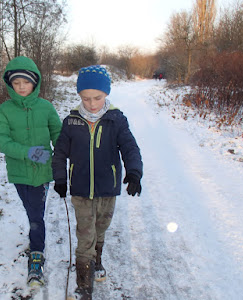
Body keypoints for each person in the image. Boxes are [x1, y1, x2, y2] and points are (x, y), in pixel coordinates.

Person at [52, 65, 143, 300]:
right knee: (85, 233)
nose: (92, 104)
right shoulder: (71, 121)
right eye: (86, 98)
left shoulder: (116, 119)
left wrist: (134, 172)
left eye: (97, 98)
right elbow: (60, 153)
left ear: (106, 95)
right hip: (80, 189)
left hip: (107, 188)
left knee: (100, 228)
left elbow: (130, 147)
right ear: (79, 96)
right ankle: (84, 285)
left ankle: (96, 258)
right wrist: (60, 178)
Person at [0, 56, 62, 287]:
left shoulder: (46, 107)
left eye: (26, 82)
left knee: (36, 214)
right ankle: (36, 238)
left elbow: (58, 135)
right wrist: (26, 152)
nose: (21, 87)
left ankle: (36, 254)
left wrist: (69, 152)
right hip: (19, 172)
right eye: (16, 82)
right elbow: (1, 140)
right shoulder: (5, 110)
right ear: (10, 84)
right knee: (32, 209)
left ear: (35, 82)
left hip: (43, 172)